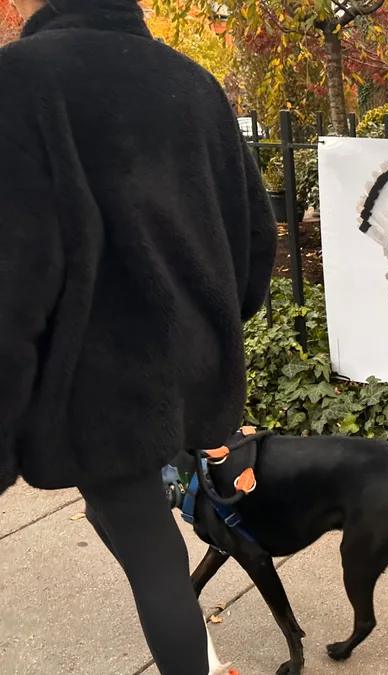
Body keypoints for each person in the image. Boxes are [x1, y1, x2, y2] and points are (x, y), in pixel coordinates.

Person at [0, 0, 277, 673]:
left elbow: (17, 265)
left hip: (105, 380)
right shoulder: (193, 83)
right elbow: (257, 237)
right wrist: (213, 325)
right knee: (131, 520)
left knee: (150, 548)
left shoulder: (20, 79)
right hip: (192, 361)